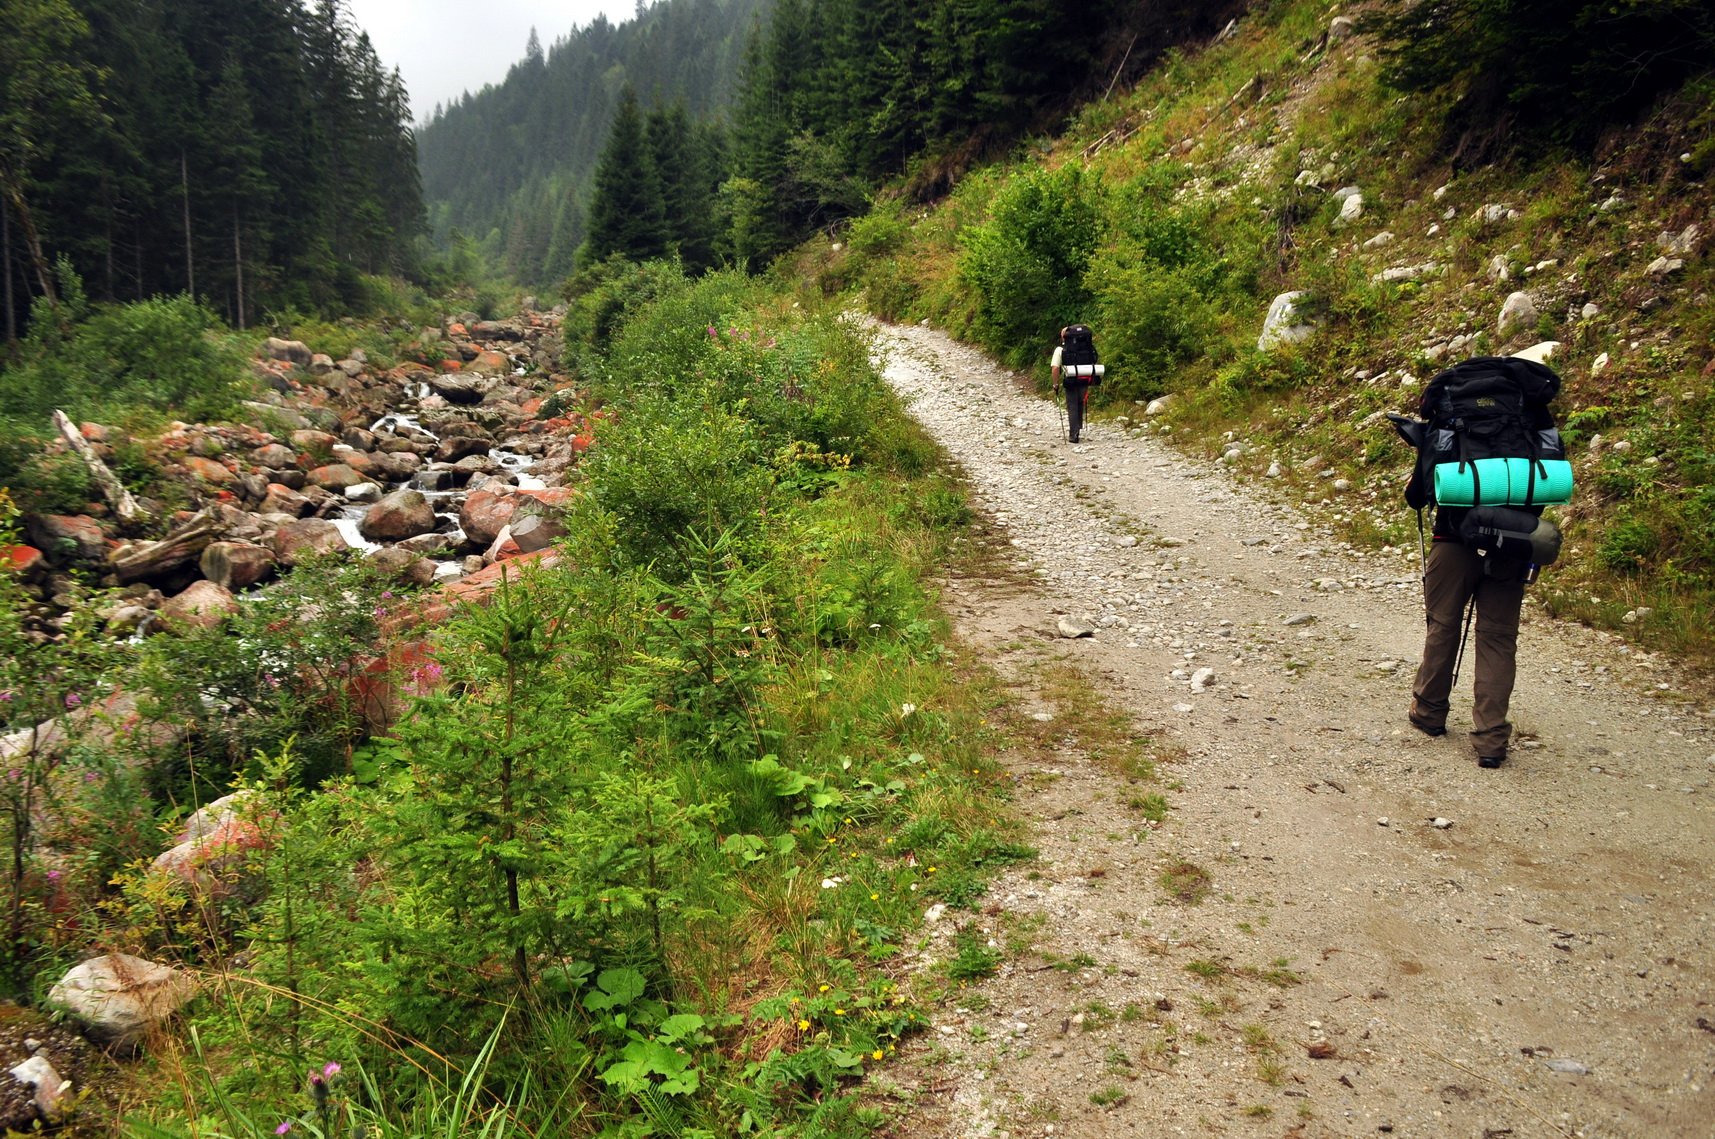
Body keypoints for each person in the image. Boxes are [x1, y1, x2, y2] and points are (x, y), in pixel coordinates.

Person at [1402, 358, 1560, 769]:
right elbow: (1549, 477)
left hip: (1453, 538)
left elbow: (1419, 493)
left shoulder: (1450, 418)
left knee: (1443, 625)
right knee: (1497, 637)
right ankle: (1491, 740)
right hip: (1513, 538)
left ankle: (1429, 711)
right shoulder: (1530, 416)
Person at [1051, 324, 1099, 444]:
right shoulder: (1087, 347)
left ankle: (1074, 434)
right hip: (1085, 378)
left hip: (1070, 380)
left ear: (1064, 337)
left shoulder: (1060, 350)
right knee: (1080, 403)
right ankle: (1078, 428)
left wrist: (1055, 384)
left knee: (1072, 405)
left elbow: (1055, 368)